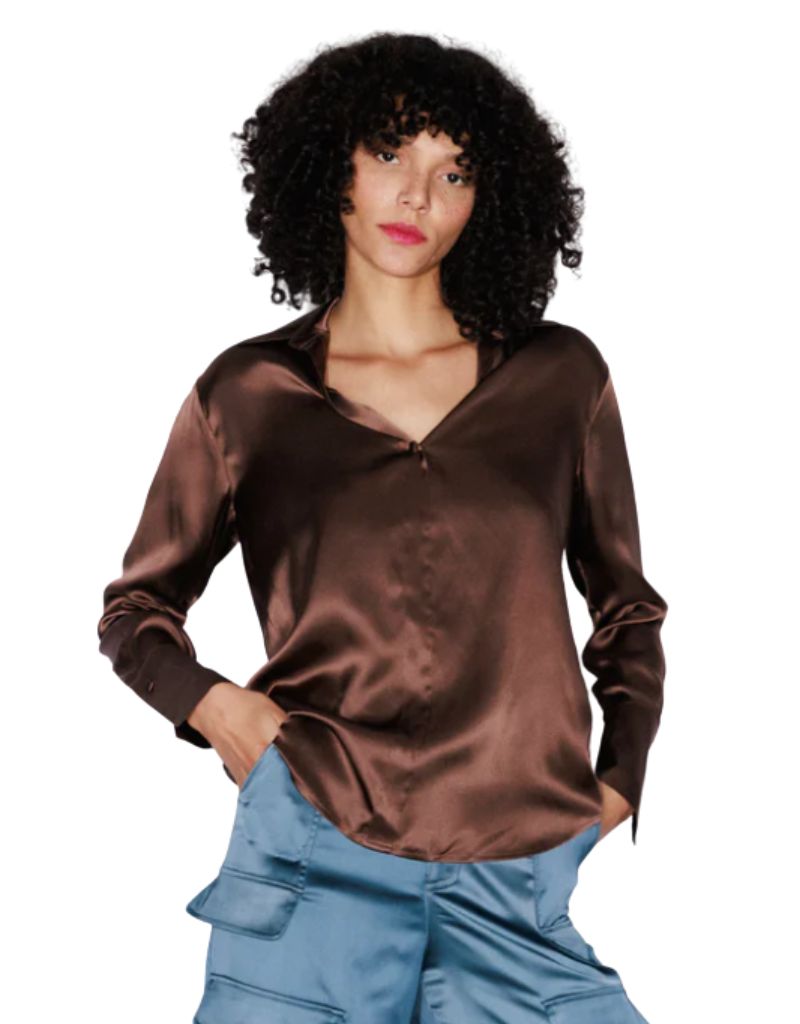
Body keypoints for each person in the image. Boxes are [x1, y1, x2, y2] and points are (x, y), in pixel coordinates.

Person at [97, 31, 667, 1024]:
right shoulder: (249, 394)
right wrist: (218, 709)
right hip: (311, 851)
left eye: (454, 171)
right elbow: (135, 611)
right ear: (333, 168)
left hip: (516, 869)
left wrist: (621, 776)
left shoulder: (559, 378)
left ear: (487, 198)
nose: (416, 195)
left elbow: (624, 606)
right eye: (390, 152)